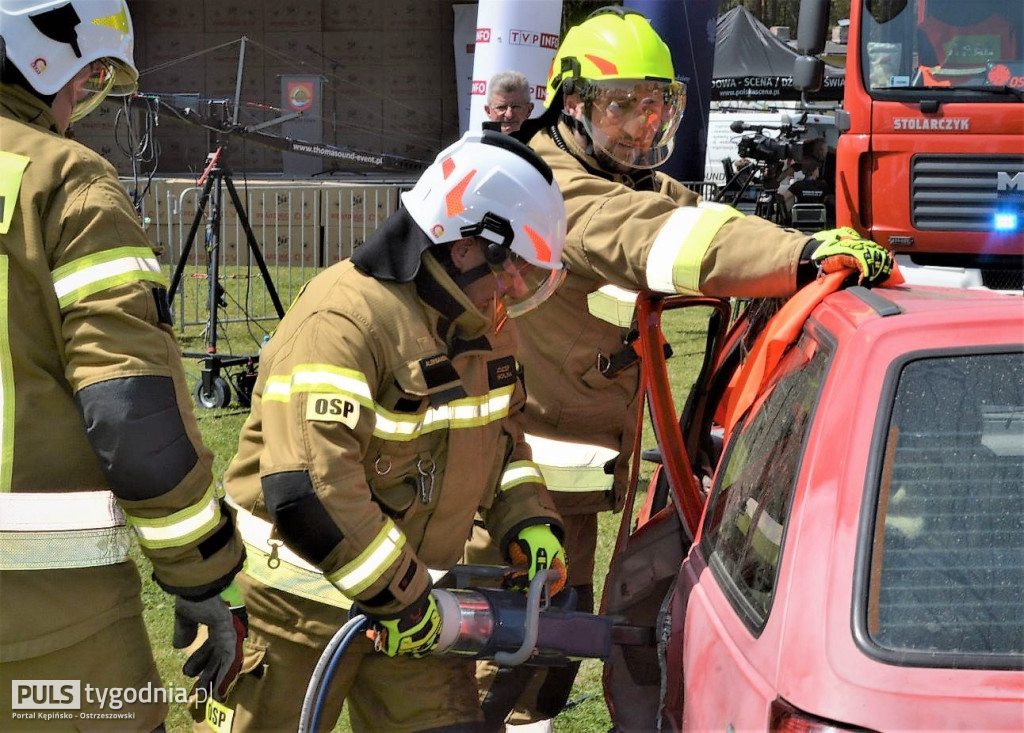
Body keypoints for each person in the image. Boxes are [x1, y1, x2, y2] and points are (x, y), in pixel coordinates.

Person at [469, 7, 896, 730]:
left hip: (560, 476)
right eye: (622, 107)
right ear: (570, 105)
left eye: (656, 105)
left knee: (546, 650)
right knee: (491, 657)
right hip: (504, 477)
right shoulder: (558, 187)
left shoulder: (608, 170)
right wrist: (801, 259)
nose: (642, 125)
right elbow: (660, 240)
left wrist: (796, 244)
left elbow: (694, 215)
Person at [209, 129, 570, 733]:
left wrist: (527, 519)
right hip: (295, 614)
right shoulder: (344, 318)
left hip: (414, 612)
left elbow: (501, 444)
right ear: (463, 247)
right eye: (514, 270)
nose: (514, 290)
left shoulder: (485, 329)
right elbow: (309, 488)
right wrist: (399, 596)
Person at [0, 0, 248, 728]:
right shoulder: (66, 182)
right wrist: (204, 571)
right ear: (37, 47)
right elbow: (131, 413)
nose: (83, 96)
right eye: (88, 73)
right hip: (41, 613)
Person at [484, 69, 535, 135]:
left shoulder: (541, 144)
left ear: (529, 110)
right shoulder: (475, 144)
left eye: (516, 107)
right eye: (501, 107)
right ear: (488, 111)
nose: (509, 115)